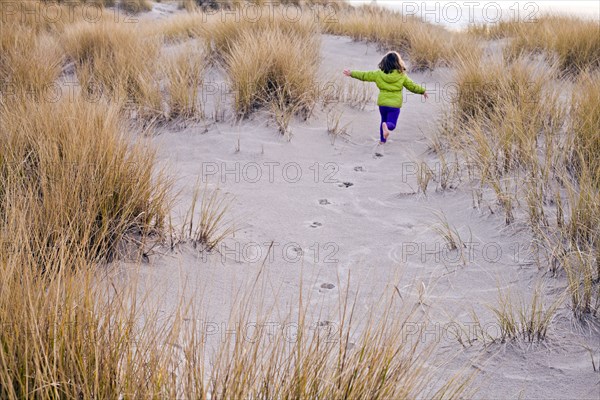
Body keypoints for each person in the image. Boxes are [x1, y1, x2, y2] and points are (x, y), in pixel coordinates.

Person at [344, 51, 428, 144]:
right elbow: (412, 86)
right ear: (398, 63)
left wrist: (351, 73)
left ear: (384, 62)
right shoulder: (402, 76)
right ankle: (386, 127)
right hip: (394, 106)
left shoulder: (378, 74)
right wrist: (422, 91)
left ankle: (382, 140)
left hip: (383, 105)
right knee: (391, 124)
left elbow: (364, 75)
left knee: (383, 120)